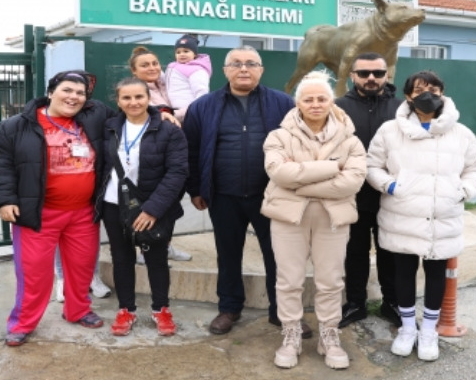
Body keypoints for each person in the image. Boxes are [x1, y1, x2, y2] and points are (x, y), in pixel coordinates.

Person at [183, 45, 309, 337]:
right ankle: (229, 308)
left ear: (260, 70)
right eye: (236, 64)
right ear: (225, 70)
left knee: (278, 256)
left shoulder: (283, 104)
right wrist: (195, 189)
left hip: (272, 195)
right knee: (228, 255)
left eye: (251, 63)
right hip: (222, 195)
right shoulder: (203, 106)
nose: (243, 68)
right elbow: (190, 150)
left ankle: (283, 312)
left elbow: (301, 146)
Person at [366, 70, 476, 362]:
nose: (427, 94)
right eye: (420, 89)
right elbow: (372, 165)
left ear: (443, 93)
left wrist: (463, 190)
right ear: (408, 96)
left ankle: (429, 331)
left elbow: (475, 169)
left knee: (436, 275)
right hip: (402, 215)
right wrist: (390, 185)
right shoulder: (389, 131)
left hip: (442, 217)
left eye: (434, 89)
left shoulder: (461, 133)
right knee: (403, 274)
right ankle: (408, 328)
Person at [0, 70, 110, 347]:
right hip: (37, 213)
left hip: (83, 213)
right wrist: (5, 200)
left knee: (81, 267)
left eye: (80, 93)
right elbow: (1, 165)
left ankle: (78, 310)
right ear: (51, 92)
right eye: (67, 90)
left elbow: (133, 109)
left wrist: (161, 110)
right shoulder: (16, 126)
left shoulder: (92, 120)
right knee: (34, 273)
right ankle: (22, 323)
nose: (74, 97)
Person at [262, 71, 367, 370]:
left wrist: (301, 181)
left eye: (322, 98)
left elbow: (352, 183)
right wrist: (333, 167)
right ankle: (291, 334)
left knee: (331, 280)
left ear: (332, 101)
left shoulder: (350, 140)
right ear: (298, 103)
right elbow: (280, 174)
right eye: (308, 99)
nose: (316, 104)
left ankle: (329, 335)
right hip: (288, 218)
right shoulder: (278, 136)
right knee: (289, 280)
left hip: (332, 219)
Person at [97, 77, 189, 337]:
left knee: (156, 259)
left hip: (152, 206)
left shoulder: (168, 129)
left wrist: (153, 210)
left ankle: (161, 309)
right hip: (114, 204)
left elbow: (178, 172)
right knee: (122, 258)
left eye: (139, 96)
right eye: (126, 97)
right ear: (118, 101)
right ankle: (126, 309)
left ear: (149, 98)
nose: (133, 102)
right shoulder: (109, 127)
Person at [334, 52, 403, 329]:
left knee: (392, 253)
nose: (371, 78)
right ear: (353, 76)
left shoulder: (402, 109)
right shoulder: (338, 108)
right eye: (363, 73)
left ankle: (393, 304)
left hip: (391, 195)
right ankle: (355, 304)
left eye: (377, 73)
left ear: (387, 75)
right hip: (353, 196)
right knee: (355, 252)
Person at [128, 46, 192, 263]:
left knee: (171, 203)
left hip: (176, 151)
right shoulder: (136, 91)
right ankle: (146, 249)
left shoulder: (167, 84)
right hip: (152, 156)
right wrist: (160, 113)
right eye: (145, 65)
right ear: (134, 71)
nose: (152, 68)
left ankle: (165, 244)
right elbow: (139, 111)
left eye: (155, 63)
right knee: (150, 202)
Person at [165, 33, 212, 121]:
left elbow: (201, 93)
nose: (182, 54)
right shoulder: (172, 67)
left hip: (188, 112)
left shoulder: (197, 70)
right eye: (178, 52)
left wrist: (193, 111)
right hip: (172, 109)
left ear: (195, 54)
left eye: (186, 51)